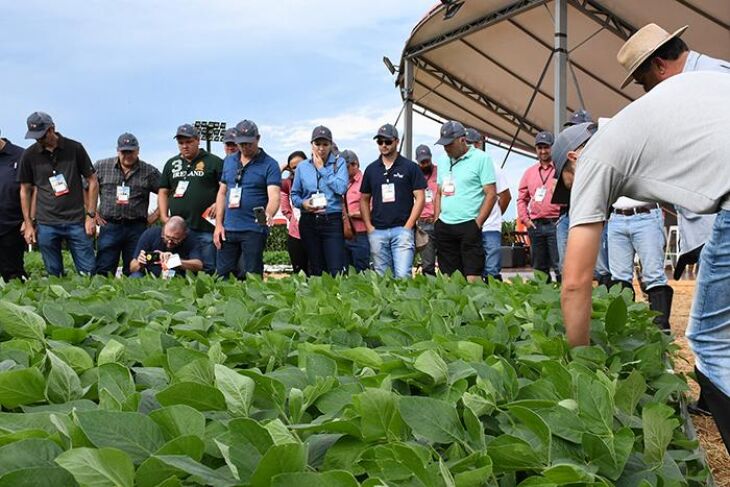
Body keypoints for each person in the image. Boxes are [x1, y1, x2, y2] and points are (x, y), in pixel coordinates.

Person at [558, 72, 730, 452]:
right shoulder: (646, 113)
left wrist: (580, 363)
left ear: (573, 157)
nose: (571, 189)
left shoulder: (595, 157)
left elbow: (574, 281)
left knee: (710, 343)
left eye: (566, 181)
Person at [618, 23, 729, 279]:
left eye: (644, 82)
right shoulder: (694, 82)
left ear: (659, 66)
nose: (647, 91)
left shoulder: (713, 81)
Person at [18, 112, 97, 276]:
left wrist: (91, 215)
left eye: (41, 135)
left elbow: (92, 180)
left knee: (88, 272)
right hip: (46, 223)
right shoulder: (29, 155)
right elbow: (25, 190)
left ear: (51, 129)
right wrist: (28, 224)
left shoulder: (75, 148)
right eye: (34, 136)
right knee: (54, 274)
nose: (38, 139)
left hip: (76, 221)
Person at [213, 120, 281, 279]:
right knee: (222, 275)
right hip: (228, 229)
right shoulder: (229, 161)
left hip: (253, 229)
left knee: (251, 275)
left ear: (258, 138)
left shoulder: (270, 164)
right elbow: (222, 193)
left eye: (249, 143)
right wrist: (218, 225)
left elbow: (274, 196)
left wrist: (268, 214)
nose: (244, 147)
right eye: (241, 143)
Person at [433, 121, 497, 282]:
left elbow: (491, 194)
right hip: (445, 225)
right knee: (448, 279)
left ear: (462, 140)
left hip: (469, 223)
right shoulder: (442, 160)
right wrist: (436, 220)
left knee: (472, 276)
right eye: (443, 144)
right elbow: (439, 192)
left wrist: (478, 223)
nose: (446, 148)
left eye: (449, 144)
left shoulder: (481, 158)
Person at [360, 124, 426, 279]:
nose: (383, 145)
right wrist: (369, 227)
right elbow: (363, 199)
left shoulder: (410, 167)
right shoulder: (371, 169)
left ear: (396, 141)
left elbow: (420, 197)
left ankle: (404, 304)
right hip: (378, 231)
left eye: (388, 141)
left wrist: (408, 226)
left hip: (401, 229)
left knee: (403, 276)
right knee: (382, 278)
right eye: (380, 142)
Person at [554, 110, 610, 285]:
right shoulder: (567, 162)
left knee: (601, 267)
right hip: (567, 214)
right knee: (568, 266)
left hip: (598, 214)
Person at [158, 124, 223, 274]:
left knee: (207, 268)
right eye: (181, 143)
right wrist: (163, 215)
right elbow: (163, 191)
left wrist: (217, 203)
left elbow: (225, 189)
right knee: (177, 267)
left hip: (205, 227)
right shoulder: (171, 163)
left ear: (198, 140)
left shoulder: (214, 162)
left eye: (189, 142)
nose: (184, 146)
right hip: (179, 232)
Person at [94, 133, 161, 276]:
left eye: (131, 151)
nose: (127, 155)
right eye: (124, 152)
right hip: (109, 225)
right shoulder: (101, 166)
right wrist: (92, 212)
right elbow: (85, 187)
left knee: (135, 269)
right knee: (103, 269)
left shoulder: (149, 171)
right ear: (118, 151)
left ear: (138, 150)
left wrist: (156, 215)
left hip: (136, 227)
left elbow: (166, 191)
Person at [291, 126, 348, 276]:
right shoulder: (302, 167)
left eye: (325, 144)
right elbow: (294, 195)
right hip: (309, 220)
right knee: (316, 268)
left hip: (331, 219)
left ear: (331, 145)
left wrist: (322, 169)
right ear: (312, 145)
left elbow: (341, 188)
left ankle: (337, 298)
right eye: (318, 144)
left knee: (335, 268)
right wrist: (303, 203)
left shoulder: (339, 163)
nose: (321, 148)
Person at [466, 128, 511, 281]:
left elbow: (506, 196)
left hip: (490, 226)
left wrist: (495, 214)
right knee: (473, 268)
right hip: (470, 225)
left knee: (492, 268)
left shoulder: (493, 166)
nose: (470, 147)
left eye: (473, 144)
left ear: (479, 144)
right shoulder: (462, 167)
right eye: (467, 144)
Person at [517, 131, 561, 282]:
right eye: (539, 147)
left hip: (555, 223)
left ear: (552, 148)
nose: (543, 151)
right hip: (535, 225)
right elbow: (521, 198)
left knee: (560, 265)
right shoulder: (529, 173)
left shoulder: (559, 168)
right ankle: (543, 299)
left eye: (546, 147)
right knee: (539, 268)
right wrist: (525, 219)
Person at [130, 216, 202, 278]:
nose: (169, 242)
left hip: (177, 276)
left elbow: (198, 265)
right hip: (149, 275)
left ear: (184, 235)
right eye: (167, 237)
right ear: (163, 231)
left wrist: (174, 261)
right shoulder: (150, 234)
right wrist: (140, 263)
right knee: (135, 276)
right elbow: (132, 267)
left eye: (175, 239)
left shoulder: (191, 239)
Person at [0, 130, 26, 280]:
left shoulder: (20, 155)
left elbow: (31, 189)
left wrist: (28, 220)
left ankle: (15, 301)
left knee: (12, 273)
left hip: (12, 225)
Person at [280, 150, 308, 274]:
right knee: (300, 273)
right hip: (296, 235)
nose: (298, 169)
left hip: (315, 233)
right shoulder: (287, 184)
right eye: (294, 167)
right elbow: (285, 209)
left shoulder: (317, 180)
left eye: (301, 165)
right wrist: (294, 220)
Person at [342, 149, 370, 272]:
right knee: (345, 271)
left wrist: (352, 215)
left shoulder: (365, 182)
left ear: (355, 165)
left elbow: (372, 210)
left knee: (361, 270)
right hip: (343, 234)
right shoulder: (342, 183)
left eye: (346, 167)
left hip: (361, 234)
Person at [415, 144, 437, 275]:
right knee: (428, 264)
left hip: (439, 220)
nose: (425, 164)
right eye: (422, 162)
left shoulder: (439, 172)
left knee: (447, 261)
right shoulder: (415, 175)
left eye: (427, 161)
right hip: (423, 223)